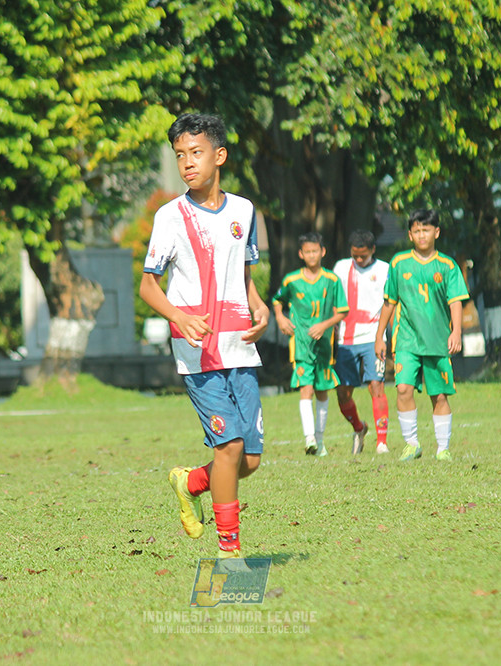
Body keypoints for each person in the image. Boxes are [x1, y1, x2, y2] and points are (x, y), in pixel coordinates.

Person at [140, 113, 269, 559]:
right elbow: (148, 286)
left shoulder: (245, 211)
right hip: (197, 350)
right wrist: (180, 317)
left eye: (196, 153)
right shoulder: (169, 217)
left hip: (241, 346)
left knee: (248, 459)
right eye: (180, 155)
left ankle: (189, 481)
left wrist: (260, 305)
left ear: (220, 156)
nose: (187, 163)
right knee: (229, 447)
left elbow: (245, 275)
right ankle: (230, 551)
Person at [374, 209, 469, 462]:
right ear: (410, 234)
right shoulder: (398, 262)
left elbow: (456, 301)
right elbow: (389, 302)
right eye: (416, 230)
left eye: (426, 230)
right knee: (403, 388)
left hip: (438, 341)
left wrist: (456, 332)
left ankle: (443, 448)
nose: (421, 235)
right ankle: (411, 444)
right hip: (406, 339)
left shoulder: (447, 265)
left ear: (436, 232)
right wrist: (379, 336)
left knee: (439, 395)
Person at [272, 232, 349, 456]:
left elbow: (343, 311)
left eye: (315, 251)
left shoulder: (332, 280)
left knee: (322, 391)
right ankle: (309, 439)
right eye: (307, 252)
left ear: (322, 252)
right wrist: (280, 318)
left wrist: (325, 325)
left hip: (324, 346)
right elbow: (277, 301)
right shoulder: (291, 280)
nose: (312, 255)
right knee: (306, 389)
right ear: (301, 254)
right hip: (301, 344)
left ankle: (321, 440)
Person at [332, 230, 391, 455]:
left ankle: (382, 443)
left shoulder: (385, 270)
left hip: (373, 338)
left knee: (376, 386)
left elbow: (391, 303)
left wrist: (386, 337)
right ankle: (359, 427)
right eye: (355, 255)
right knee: (343, 393)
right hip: (345, 341)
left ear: (373, 250)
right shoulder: (340, 268)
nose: (358, 260)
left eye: (363, 256)